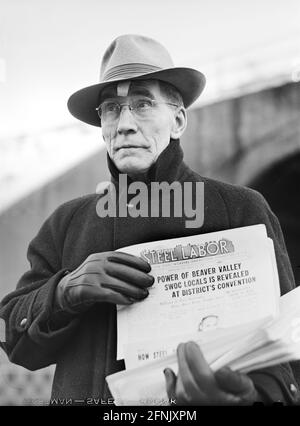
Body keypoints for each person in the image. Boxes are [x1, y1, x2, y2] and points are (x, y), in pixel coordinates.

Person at [0, 34, 299, 406]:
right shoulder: (66, 223)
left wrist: (248, 397)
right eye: (111, 108)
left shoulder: (241, 210)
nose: (124, 123)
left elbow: (286, 346)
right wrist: (64, 292)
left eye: (142, 104)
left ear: (177, 121)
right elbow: (15, 340)